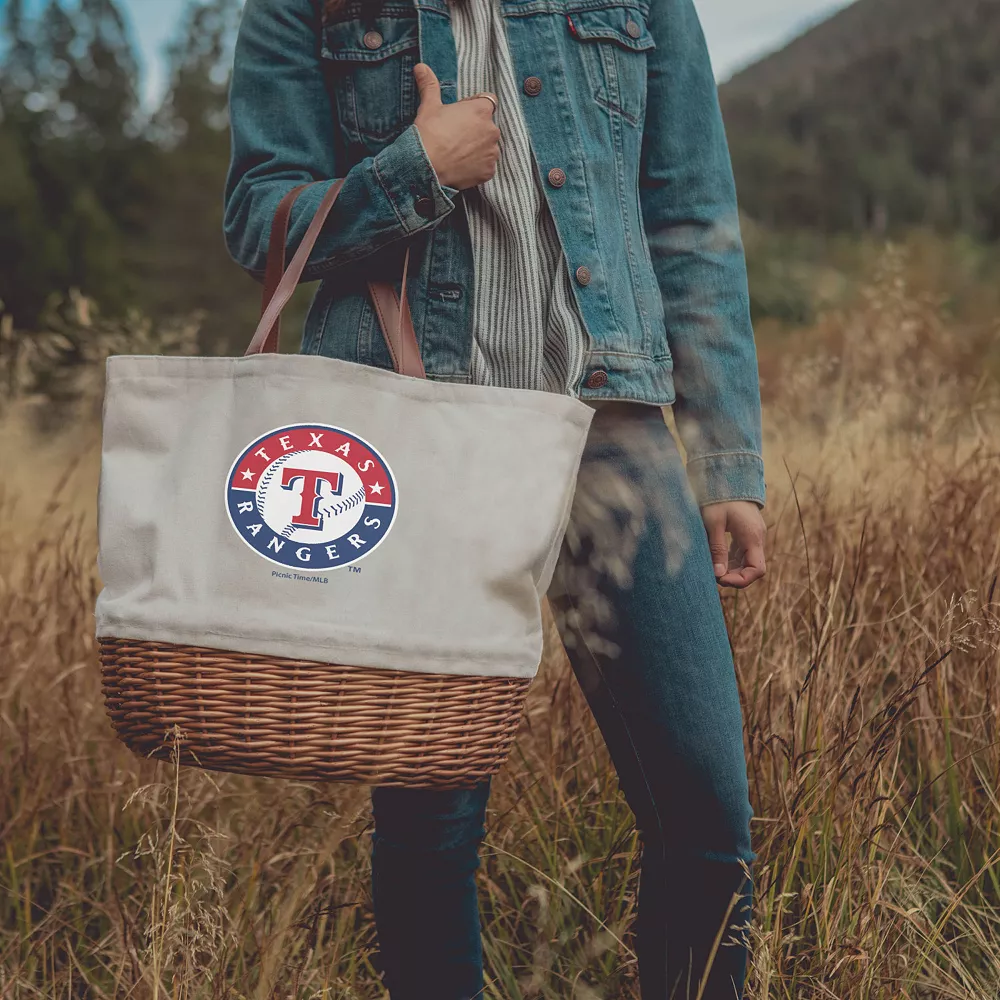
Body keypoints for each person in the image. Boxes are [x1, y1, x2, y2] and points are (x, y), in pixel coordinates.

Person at [224, 0, 768, 995]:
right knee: (430, 824)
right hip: (416, 439)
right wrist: (411, 172)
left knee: (705, 814)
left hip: (613, 435)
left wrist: (728, 456)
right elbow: (258, 214)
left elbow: (687, 215)